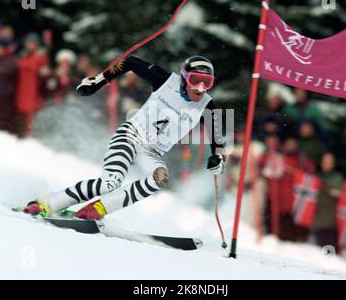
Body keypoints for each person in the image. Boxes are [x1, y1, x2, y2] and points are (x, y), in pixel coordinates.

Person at [23, 55, 226, 220]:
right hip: (130, 135)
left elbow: (218, 135)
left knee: (160, 177)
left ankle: (98, 209)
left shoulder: (207, 106)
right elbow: (129, 62)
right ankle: (46, 204)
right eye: (195, 81)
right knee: (110, 182)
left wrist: (218, 156)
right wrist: (98, 81)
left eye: (206, 83)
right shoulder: (165, 80)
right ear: (184, 78)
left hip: (151, 151)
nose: (200, 88)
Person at [311, 152, 343, 250]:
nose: (326, 164)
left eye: (329, 162)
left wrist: (322, 185)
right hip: (316, 219)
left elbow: (337, 193)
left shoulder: (337, 178)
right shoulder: (316, 176)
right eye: (325, 162)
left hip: (330, 221)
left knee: (329, 250)